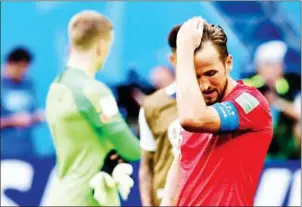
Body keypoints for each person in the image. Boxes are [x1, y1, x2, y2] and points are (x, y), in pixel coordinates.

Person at [161, 17, 273, 206]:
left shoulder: (251, 102)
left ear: (228, 63)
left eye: (211, 73)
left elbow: (193, 119)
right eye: (195, 76)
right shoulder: (194, 107)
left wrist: (185, 49)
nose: (204, 86)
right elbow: (179, 172)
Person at [45, 10, 140, 206]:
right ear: (101, 46)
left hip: (61, 194)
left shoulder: (56, 87)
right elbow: (130, 148)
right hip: (88, 198)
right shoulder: (94, 91)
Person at [138, 25, 179, 207]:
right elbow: (146, 167)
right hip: (163, 198)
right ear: (173, 59)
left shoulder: (220, 102)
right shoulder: (152, 105)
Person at [244, 41, 301, 159]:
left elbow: (298, 114)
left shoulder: (291, 84)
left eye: (278, 64)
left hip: (284, 137)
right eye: (269, 64)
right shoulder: (248, 84)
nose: (275, 68)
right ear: (259, 66)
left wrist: (277, 102)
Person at [1, 47, 44, 158]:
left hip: (26, 151)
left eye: (26, 67)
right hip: (4, 152)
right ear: (9, 64)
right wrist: (12, 121)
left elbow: (33, 111)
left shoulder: (28, 83)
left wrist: (36, 117)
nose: (23, 71)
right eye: (20, 67)